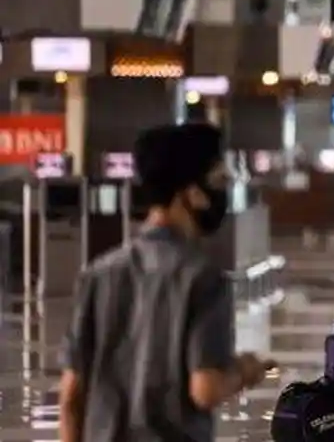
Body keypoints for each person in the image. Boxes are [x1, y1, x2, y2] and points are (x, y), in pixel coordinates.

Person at [58, 123, 274, 442]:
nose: (224, 192)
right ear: (191, 192)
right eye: (218, 180)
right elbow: (206, 389)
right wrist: (244, 371)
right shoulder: (203, 278)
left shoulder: (98, 274)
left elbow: (71, 399)